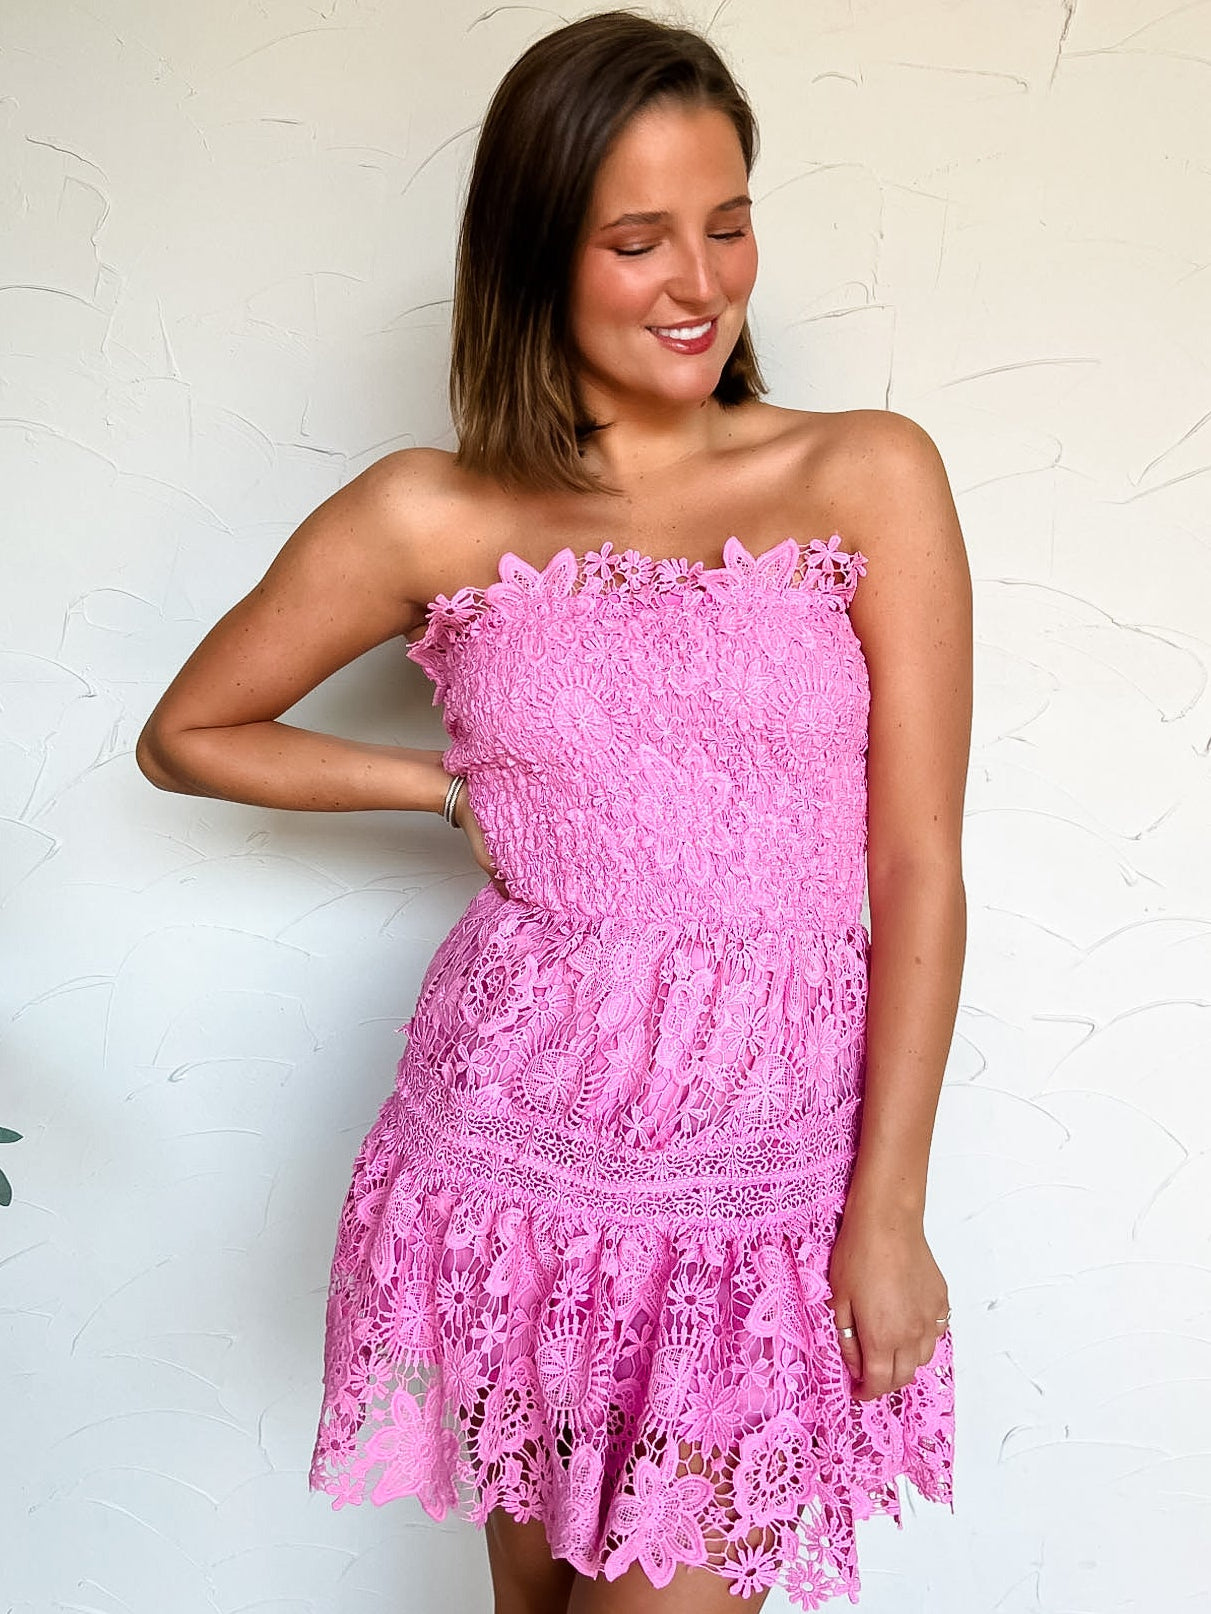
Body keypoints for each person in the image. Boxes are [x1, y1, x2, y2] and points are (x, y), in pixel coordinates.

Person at [137, 10, 972, 1611]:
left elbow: (919, 860)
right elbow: (189, 733)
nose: (700, 283)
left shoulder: (865, 474)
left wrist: (891, 1206)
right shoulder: (429, 511)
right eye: (637, 240)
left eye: (728, 224)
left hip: (764, 1188)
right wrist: (437, 784)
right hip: (513, 1160)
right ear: (534, 253)